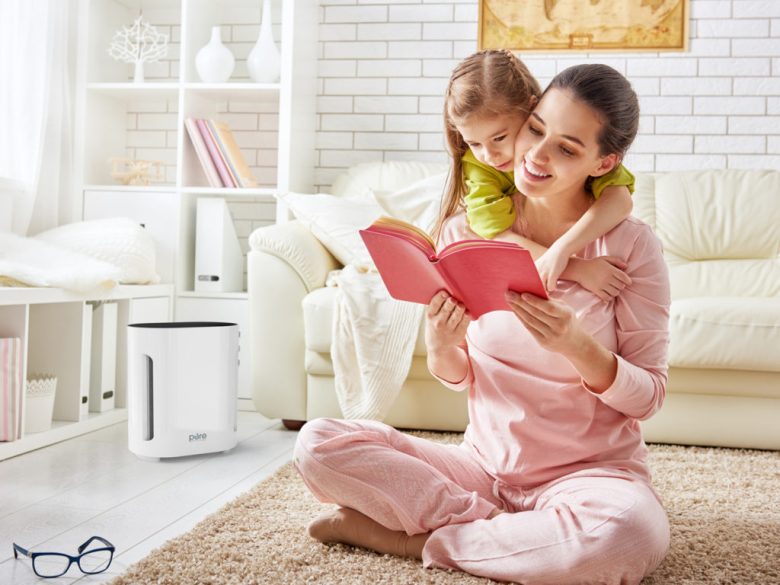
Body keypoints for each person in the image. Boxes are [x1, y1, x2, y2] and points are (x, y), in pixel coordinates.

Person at [293, 63, 671, 585]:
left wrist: (577, 346)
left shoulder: (631, 245)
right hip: (481, 470)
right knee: (318, 444)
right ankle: (511, 534)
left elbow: (648, 398)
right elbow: (460, 376)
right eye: (535, 129)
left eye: (566, 149)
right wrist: (441, 343)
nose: (536, 155)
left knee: (626, 533)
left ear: (604, 162)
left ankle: (410, 539)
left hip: (589, 475)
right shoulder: (464, 230)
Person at [444, 49, 635, 297]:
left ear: (531, 109)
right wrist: (575, 268)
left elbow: (620, 199)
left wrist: (563, 249)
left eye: (499, 138)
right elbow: (495, 235)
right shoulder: (480, 167)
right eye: (474, 144)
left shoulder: (587, 159)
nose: (489, 156)